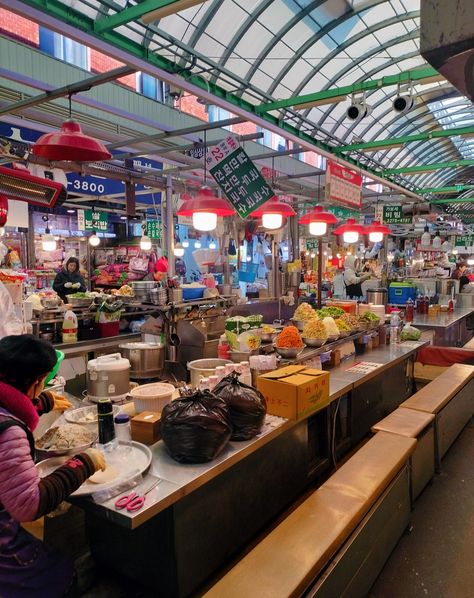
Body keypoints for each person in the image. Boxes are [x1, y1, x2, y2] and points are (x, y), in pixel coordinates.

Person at [0, 334, 106, 597]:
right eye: (44, 382)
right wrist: (83, 463)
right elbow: (28, 503)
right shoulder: (8, 433)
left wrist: (39, 403)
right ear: (35, 381)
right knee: (59, 574)